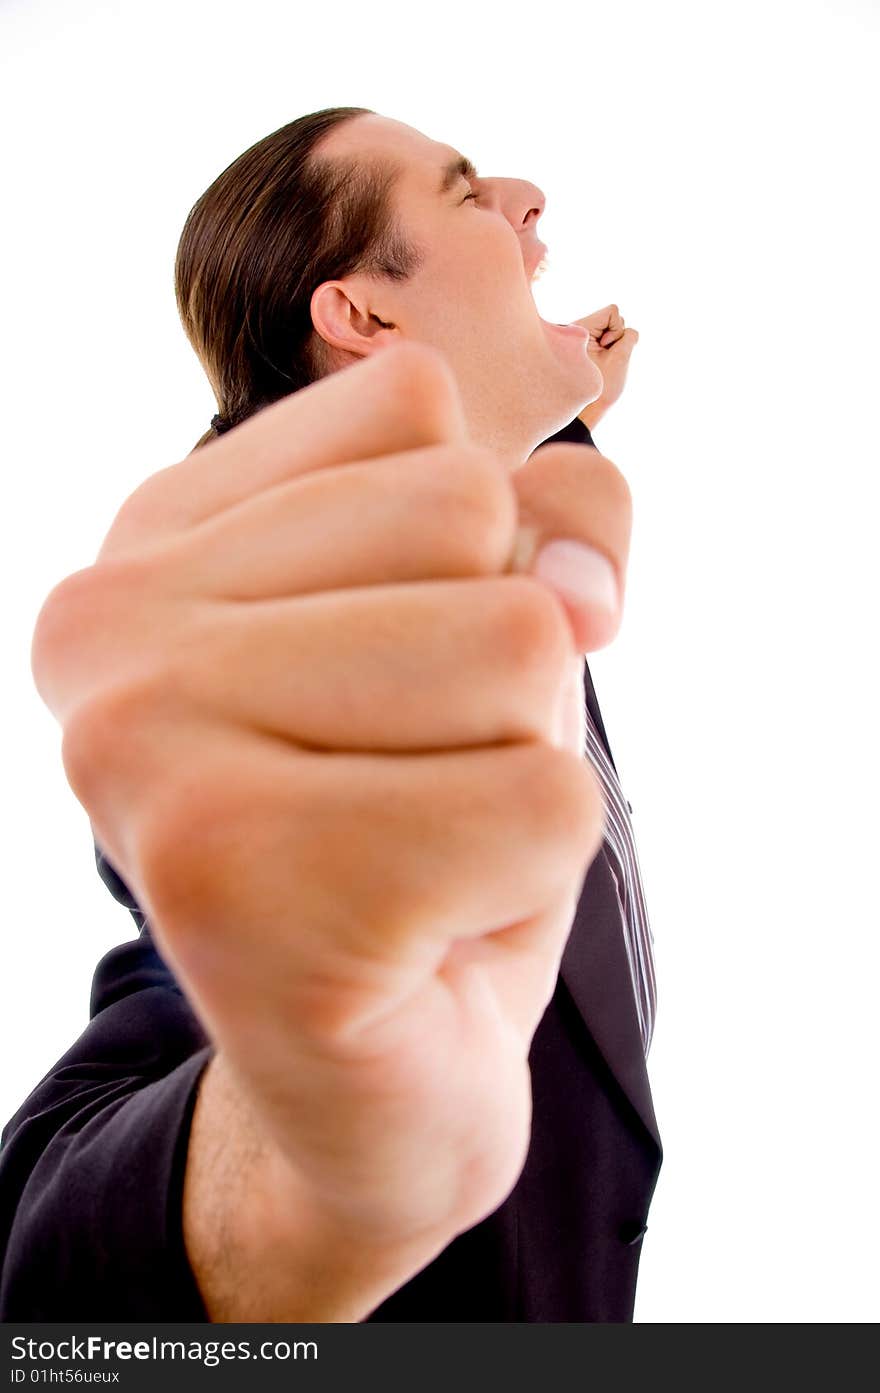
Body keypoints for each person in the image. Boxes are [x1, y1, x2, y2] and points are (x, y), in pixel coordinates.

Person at [0, 107, 661, 1322]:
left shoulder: (494, 579)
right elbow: (50, 1286)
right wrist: (297, 1186)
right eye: (466, 196)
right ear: (360, 316)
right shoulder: (292, 614)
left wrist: (557, 410)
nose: (527, 198)